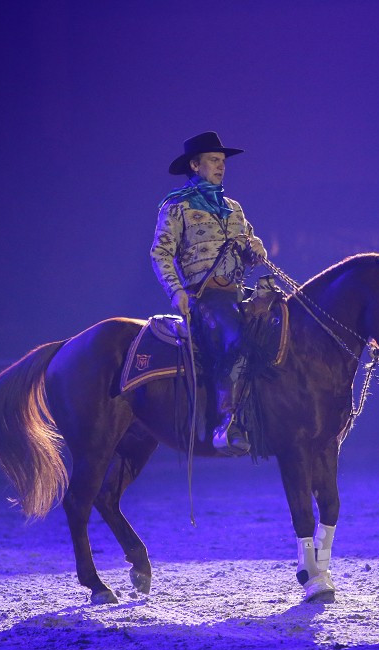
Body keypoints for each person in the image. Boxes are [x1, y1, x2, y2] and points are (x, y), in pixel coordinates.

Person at [150, 132, 268, 456]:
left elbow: (248, 249)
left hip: (238, 292)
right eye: (214, 161)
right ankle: (227, 422)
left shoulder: (233, 208)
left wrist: (255, 249)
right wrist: (176, 292)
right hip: (207, 298)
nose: (221, 167)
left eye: (223, 161)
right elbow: (160, 253)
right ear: (195, 164)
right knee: (236, 338)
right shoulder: (177, 207)